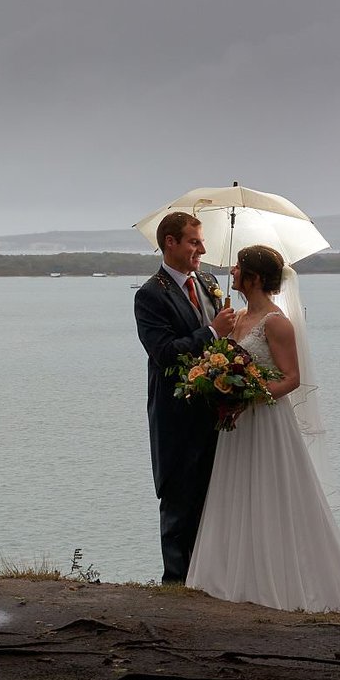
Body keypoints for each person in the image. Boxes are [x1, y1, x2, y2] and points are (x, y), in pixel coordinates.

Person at [186, 244, 340, 624]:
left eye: (239, 267)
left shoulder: (276, 322)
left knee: (269, 495)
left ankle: (275, 583)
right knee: (235, 493)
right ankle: (232, 580)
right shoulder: (239, 317)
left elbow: (292, 378)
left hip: (265, 422)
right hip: (237, 425)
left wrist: (252, 395)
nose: (232, 271)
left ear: (255, 278)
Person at [133, 211, 238, 585]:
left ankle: (209, 581)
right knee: (178, 507)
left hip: (214, 415)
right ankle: (176, 589)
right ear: (170, 243)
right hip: (175, 419)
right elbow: (164, 353)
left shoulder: (209, 282)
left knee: (214, 503)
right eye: (194, 241)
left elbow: (220, 345)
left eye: (201, 241)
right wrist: (211, 332)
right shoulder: (149, 295)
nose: (202, 249)